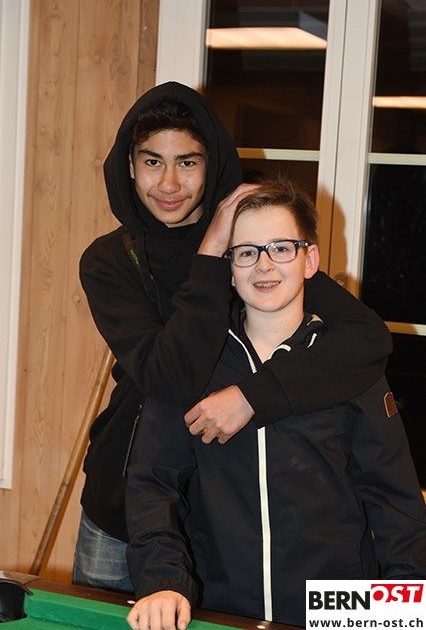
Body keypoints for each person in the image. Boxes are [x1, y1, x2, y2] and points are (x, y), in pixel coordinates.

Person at [73, 81, 392, 592]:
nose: (169, 183)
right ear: (130, 166)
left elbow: (367, 337)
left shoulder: (254, 249)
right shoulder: (109, 260)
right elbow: (171, 378)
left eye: (188, 162)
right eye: (153, 162)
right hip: (125, 507)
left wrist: (252, 396)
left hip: (224, 512)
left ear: (213, 164)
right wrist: (209, 253)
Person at [125, 177, 426, 630]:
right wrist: (163, 581)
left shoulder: (350, 365)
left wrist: (405, 613)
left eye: (282, 248)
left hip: (337, 611)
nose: (264, 266)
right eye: (247, 252)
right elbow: (153, 483)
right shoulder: (194, 361)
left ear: (310, 260)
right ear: (229, 268)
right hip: (219, 607)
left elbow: (395, 503)